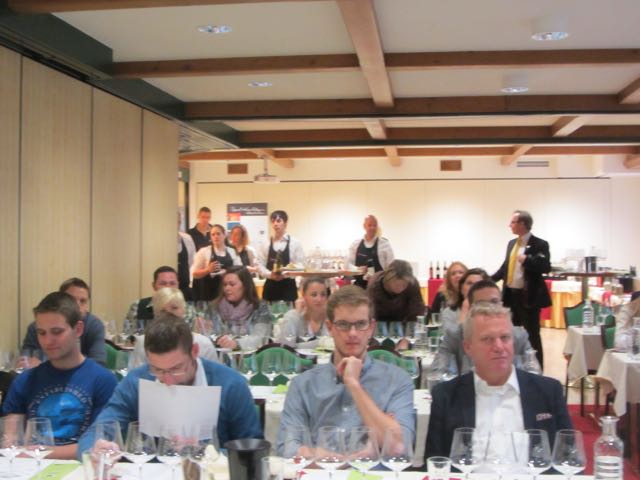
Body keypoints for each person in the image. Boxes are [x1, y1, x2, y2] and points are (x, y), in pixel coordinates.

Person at [77, 314, 262, 456]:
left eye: (176, 369)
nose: (168, 380)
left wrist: (206, 453)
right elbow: (100, 428)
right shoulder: (137, 381)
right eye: (157, 369)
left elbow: (252, 450)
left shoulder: (230, 384)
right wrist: (93, 449)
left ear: (194, 351)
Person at [276, 286, 414, 454]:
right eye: (343, 324)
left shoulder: (397, 380)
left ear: (371, 328)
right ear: (330, 328)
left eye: (361, 324)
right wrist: (349, 460)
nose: (352, 333)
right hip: (322, 470)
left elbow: (399, 448)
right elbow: (287, 448)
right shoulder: (303, 384)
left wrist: (354, 385)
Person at [425, 301, 571, 459]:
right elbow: (435, 463)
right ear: (468, 347)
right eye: (487, 339)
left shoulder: (548, 392)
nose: (499, 347)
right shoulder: (446, 396)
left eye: (505, 337)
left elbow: (569, 457)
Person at [2, 292, 117, 459]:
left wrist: (38, 452)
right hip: (32, 468)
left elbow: (99, 446)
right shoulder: (25, 381)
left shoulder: (103, 380)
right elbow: (10, 441)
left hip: (82, 468)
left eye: (57, 332)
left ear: (78, 329)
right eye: (42, 333)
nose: (48, 341)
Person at [431, 280, 535, 377]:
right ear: (471, 309)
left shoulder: (518, 335)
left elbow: (534, 375)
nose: (489, 308)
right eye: (482, 304)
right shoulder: (455, 335)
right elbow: (437, 375)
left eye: (494, 302)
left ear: (502, 305)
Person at [492, 210, 551, 367]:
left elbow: (546, 267)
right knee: (510, 334)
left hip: (528, 298)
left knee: (532, 336)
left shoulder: (540, 244)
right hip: (510, 297)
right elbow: (505, 268)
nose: (509, 225)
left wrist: (527, 260)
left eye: (513, 222)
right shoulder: (512, 244)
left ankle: (537, 370)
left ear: (523, 224)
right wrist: (489, 280)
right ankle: (514, 366)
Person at [21, 277, 106, 367]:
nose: (77, 306)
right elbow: (26, 359)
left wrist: (45, 365)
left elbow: (98, 363)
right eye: (72, 300)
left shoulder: (94, 326)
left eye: (83, 301)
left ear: (78, 329)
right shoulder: (37, 327)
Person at [128, 289, 218, 369]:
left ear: (184, 310)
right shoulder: (143, 342)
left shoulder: (204, 344)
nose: (169, 313)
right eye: (163, 310)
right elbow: (136, 378)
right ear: (156, 314)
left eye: (174, 308)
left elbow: (214, 377)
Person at [211, 266, 273, 351]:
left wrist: (237, 344)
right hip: (222, 355)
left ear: (245, 285)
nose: (227, 288)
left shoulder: (260, 307)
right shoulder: (215, 307)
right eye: (225, 285)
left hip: (252, 356)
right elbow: (210, 336)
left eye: (232, 284)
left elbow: (261, 337)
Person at [367, 260, 425, 346]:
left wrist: (406, 339)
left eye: (404, 285)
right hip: (379, 324)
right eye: (397, 285)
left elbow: (416, 313)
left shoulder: (412, 283)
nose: (400, 288)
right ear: (387, 279)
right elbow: (370, 314)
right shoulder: (375, 284)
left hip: (403, 323)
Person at [125, 266, 196, 329]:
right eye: (163, 283)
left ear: (178, 285)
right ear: (154, 286)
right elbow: (128, 334)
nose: (168, 287)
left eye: (172, 283)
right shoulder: (138, 306)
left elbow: (191, 337)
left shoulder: (188, 309)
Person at [257, 210, 305, 303]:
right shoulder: (266, 243)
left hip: (288, 287)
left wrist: (287, 273)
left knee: (289, 312)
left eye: (278, 221)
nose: (275, 224)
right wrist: (270, 274)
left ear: (285, 223)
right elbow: (259, 264)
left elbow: (301, 264)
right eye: (273, 221)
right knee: (268, 312)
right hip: (270, 287)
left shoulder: (295, 243)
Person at [192, 224, 242, 301]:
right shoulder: (204, 251)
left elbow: (240, 270)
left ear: (224, 235)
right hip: (209, 294)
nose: (216, 236)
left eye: (218, 234)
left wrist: (228, 272)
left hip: (228, 293)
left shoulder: (232, 251)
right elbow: (194, 274)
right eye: (213, 234)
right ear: (210, 237)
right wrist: (207, 270)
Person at [278, 276, 330, 348]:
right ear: (304, 295)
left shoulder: (331, 318)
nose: (319, 299)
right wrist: (320, 343)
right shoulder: (292, 316)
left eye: (323, 295)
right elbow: (286, 347)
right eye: (314, 295)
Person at [348, 215, 395, 289]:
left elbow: (391, 267)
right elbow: (348, 264)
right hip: (359, 288)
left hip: (379, 287)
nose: (372, 228)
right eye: (369, 225)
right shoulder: (355, 244)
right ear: (364, 226)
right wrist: (357, 269)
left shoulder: (385, 244)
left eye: (374, 225)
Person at [440, 268, 489, 333]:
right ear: (461, 288)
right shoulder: (449, 313)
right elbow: (453, 338)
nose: (473, 287)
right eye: (469, 283)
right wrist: (464, 312)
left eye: (478, 284)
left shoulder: (494, 311)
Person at [178, 216, 197, 301]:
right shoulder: (162, 241)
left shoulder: (187, 238)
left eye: (179, 221)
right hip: (168, 287)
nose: (177, 224)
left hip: (184, 286)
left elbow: (192, 262)